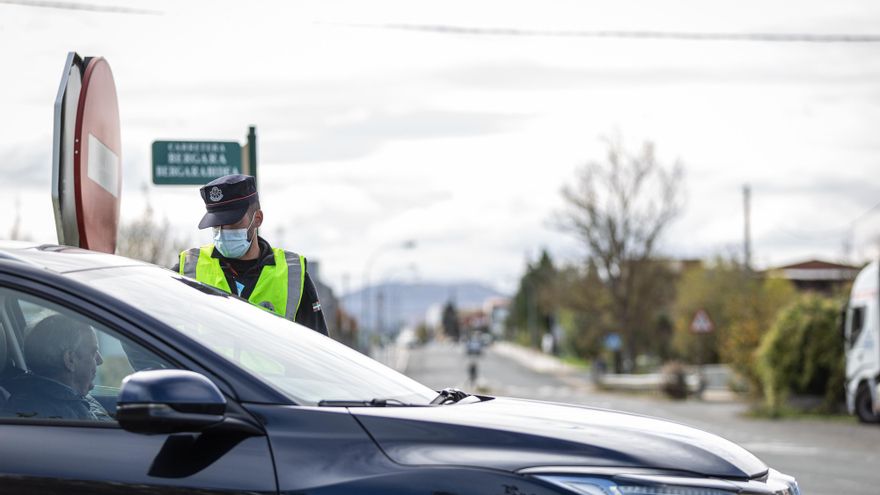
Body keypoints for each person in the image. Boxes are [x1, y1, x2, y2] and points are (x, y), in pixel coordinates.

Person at [174, 174, 328, 335]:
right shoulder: (189, 267)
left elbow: (320, 347)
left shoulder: (292, 275)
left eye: (232, 223)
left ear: (258, 219)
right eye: (216, 225)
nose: (223, 232)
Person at [3, 314, 111, 421]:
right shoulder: (62, 415)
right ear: (70, 360)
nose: (100, 361)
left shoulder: (70, 399)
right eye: (93, 352)